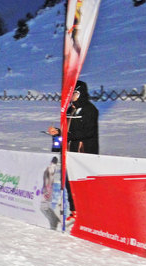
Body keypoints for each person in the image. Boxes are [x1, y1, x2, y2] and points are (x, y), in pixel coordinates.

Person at [48, 80, 99, 220]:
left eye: (75, 93)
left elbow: (88, 132)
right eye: (70, 94)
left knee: (82, 182)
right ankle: (74, 210)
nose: (72, 97)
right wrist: (57, 134)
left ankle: (87, 213)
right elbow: (66, 131)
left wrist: (65, 134)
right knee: (69, 181)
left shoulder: (90, 110)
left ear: (81, 93)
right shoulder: (69, 109)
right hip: (69, 151)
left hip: (83, 152)